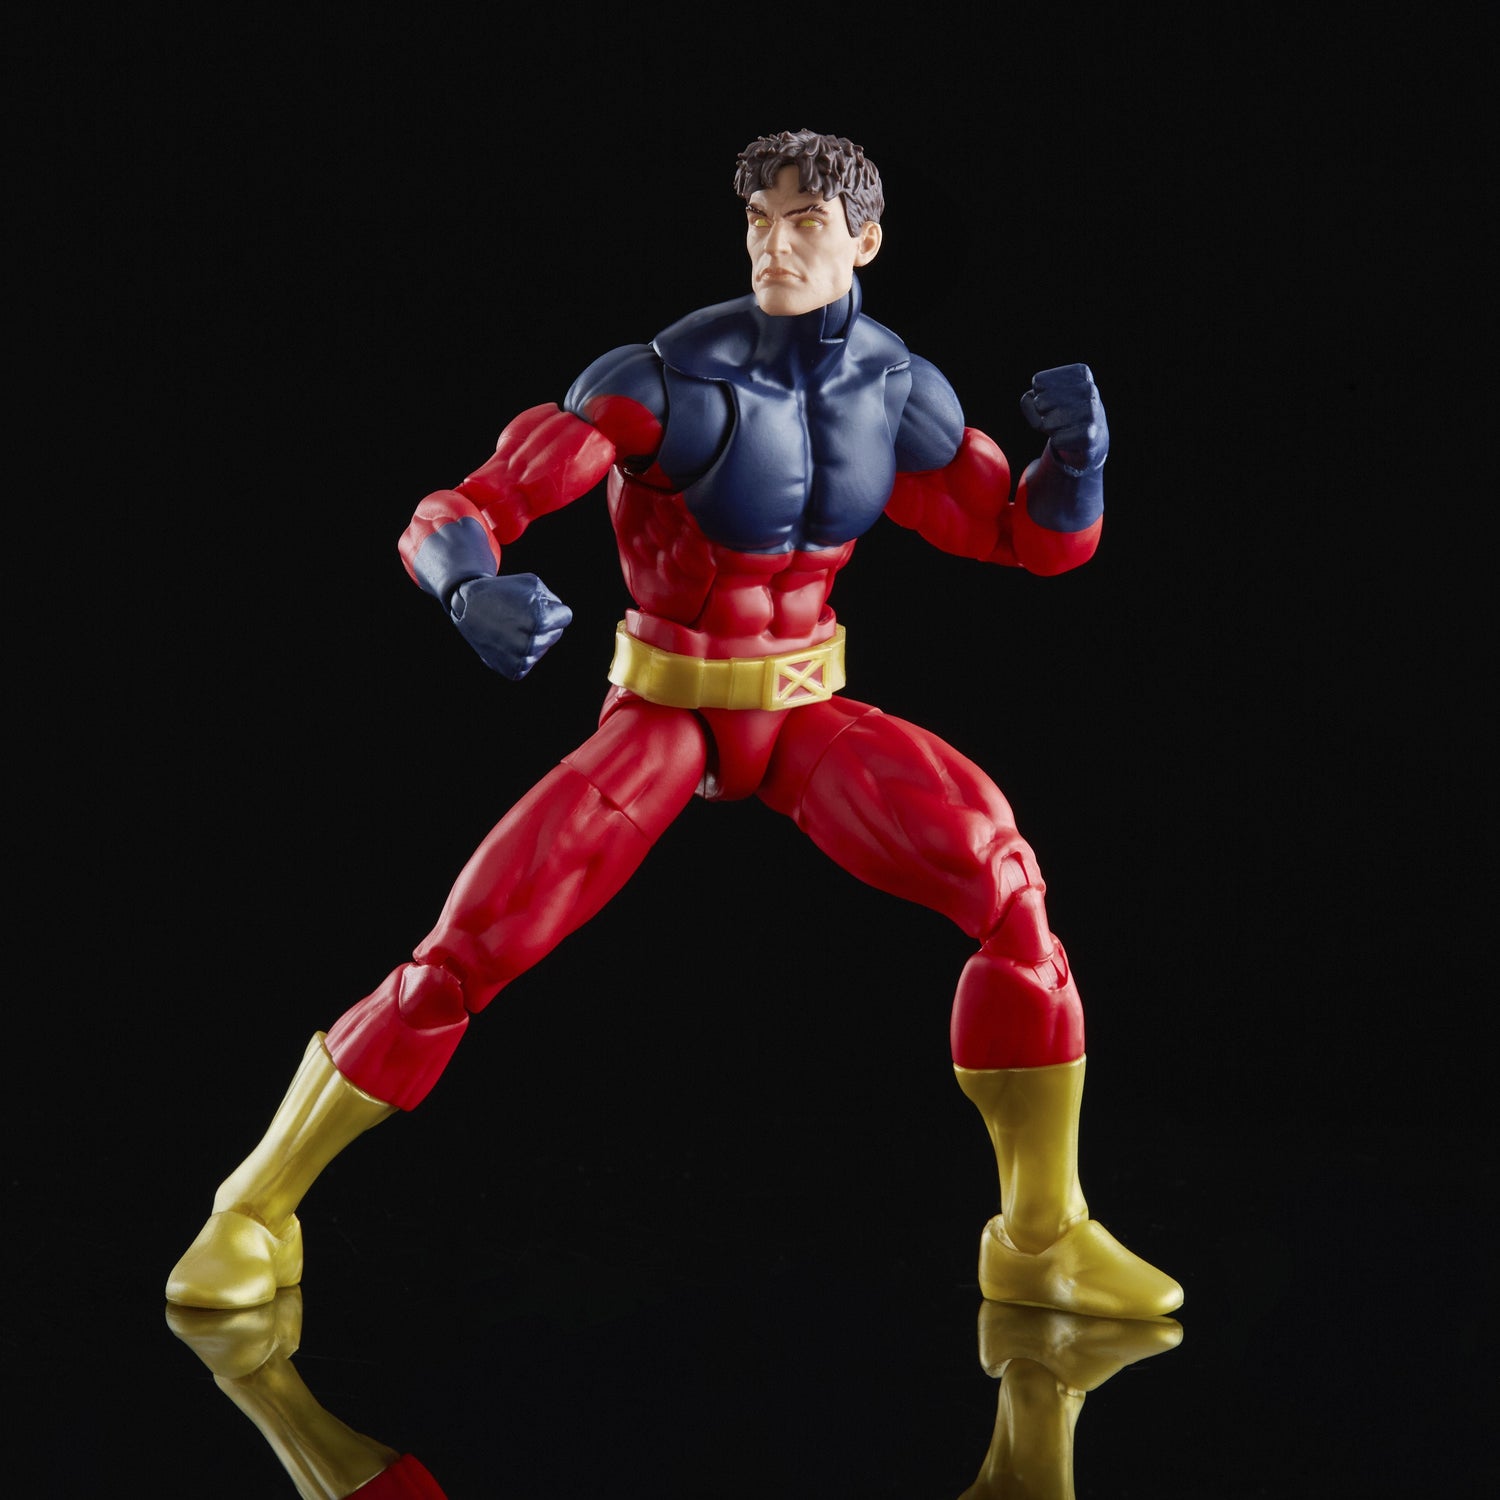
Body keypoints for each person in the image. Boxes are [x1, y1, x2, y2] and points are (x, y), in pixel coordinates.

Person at [167, 129, 1181, 1321]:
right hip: (670, 712)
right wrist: (465, 587)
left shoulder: (898, 387)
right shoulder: (665, 381)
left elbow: (1021, 537)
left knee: (1010, 891)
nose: (774, 244)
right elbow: (467, 504)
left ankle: (1042, 1238)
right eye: (759, 219)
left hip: (803, 711)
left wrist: (1080, 463)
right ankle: (253, 1208)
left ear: (865, 241)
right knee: (469, 948)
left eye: (805, 221)